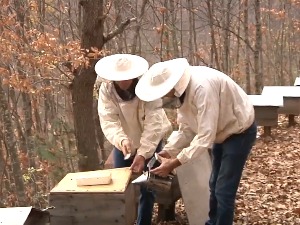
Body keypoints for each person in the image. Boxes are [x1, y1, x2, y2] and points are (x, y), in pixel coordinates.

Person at [135, 58, 257, 225]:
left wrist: (175, 162)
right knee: (214, 185)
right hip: (221, 132)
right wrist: (169, 151)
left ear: (172, 86)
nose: (163, 96)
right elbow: (187, 129)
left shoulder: (201, 88)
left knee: (224, 190)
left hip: (239, 131)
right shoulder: (183, 92)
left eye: (163, 92)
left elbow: (205, 137)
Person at [95, 53, 172, 225]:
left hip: (151, 141)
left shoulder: (149, 87)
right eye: (120, 78)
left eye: (127, 78)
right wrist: (121, 140)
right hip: (124, 144)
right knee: (120, 184)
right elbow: (108, 120)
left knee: (149, 186)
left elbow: (154, 124)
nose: (124, 82)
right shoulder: (106, 90)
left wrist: (143, 154)